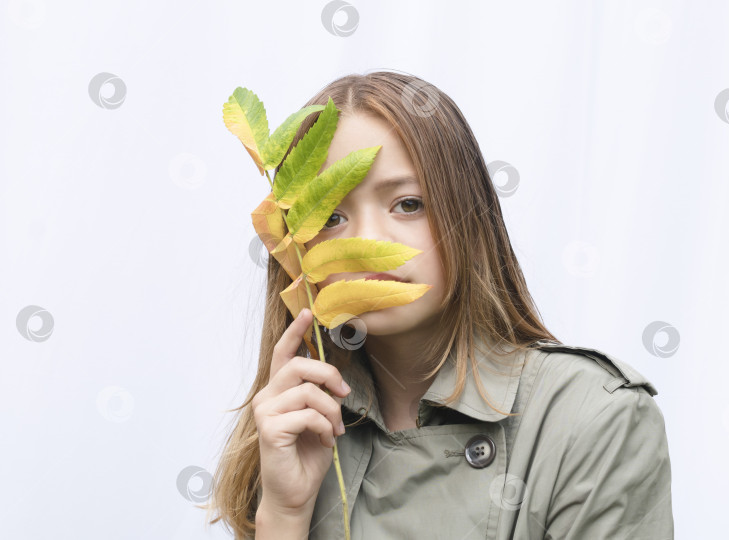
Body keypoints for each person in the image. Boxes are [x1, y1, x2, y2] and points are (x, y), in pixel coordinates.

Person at [204, 71, 674, 539]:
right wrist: (283, 516)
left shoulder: (591, 417)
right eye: (329, 215)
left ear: (468, 215)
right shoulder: (293, 429)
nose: (368, 241)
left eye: (408, 204)